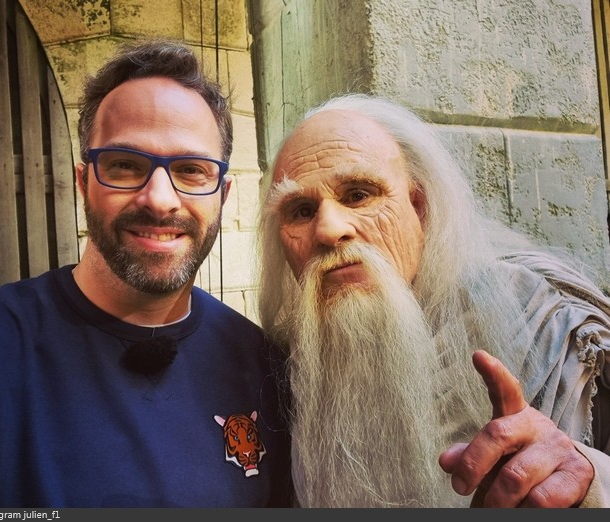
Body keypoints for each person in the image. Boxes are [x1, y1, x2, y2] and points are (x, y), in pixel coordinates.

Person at [0, 38, 293, 508]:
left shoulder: (266, 368)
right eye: (125, 165)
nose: (159, 198)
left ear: (222, 194)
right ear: (83, 181)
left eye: (190, 170)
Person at [256, 92, 610, 508]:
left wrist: (586, 476)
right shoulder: (292, 359)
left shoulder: (545, 320)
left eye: (358, 195)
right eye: (300, 210)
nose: (329, 230)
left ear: (418, 207)